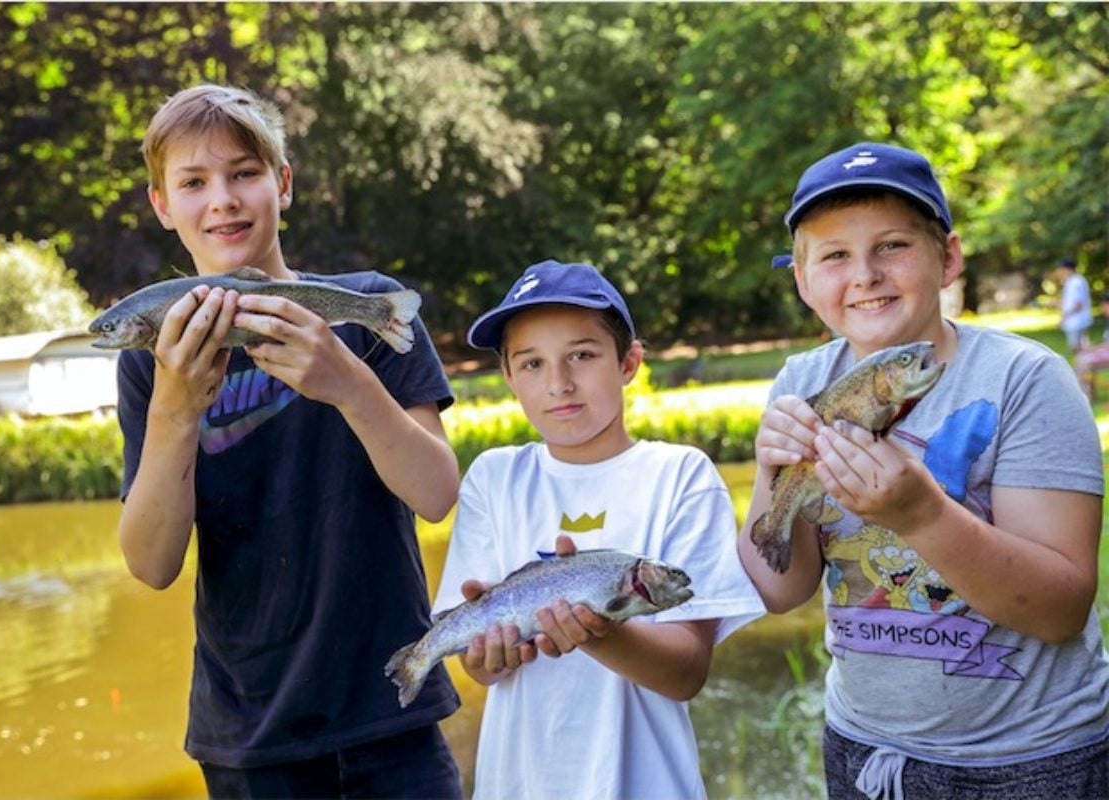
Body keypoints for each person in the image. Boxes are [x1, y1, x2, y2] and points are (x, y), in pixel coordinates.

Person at [114, 84, 463, 798]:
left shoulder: (367, 306)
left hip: (393, 709)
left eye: (244, 172)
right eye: (193, 182)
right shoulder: (147, 358)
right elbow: (150, 564)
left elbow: (437, 495)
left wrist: (348, 382)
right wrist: (177, 408)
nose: (223, 200)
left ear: (283, 182)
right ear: (162, 206)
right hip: (248, 735)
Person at [743, 142, 1109, 798]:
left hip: (1029, 760)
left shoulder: (1025, 379)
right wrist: (771, 470)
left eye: (891, 246)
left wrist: (922, 515)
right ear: (802, 280)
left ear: (949, 257)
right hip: (863, 752)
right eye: (834, 255)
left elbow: (1060, 609)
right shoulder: (801, 381)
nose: (865, 274)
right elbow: (779, 590)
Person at [433, 259, 766, 800]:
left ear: (629, 362)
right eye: (533, 363)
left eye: (582, 356)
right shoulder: (493, 478)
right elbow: (481, 668)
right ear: (509, 377)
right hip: (520, 782)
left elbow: (686, 673)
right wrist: (486, 656)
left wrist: (601, 632)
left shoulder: (681, 476)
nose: (559, 383)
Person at [1055, 257, 1093, 354]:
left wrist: (1064, 318)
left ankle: (1083, 367)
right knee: (1080, 349)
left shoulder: (1076, 282)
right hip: (1076, 321)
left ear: (1067, 269)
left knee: (1078, 350)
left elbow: (1077, 304)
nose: (1059, 272)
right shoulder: (1072, 281)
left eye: (1060, 269)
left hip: (1077, 321)